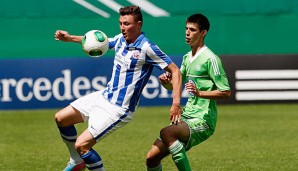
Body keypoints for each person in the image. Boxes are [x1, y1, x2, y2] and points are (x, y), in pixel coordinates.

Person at [54, 5, 182, 171]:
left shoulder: (147, 48)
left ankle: (81, 158)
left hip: (119, 109)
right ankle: (76, 161)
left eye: (127, 24)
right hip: (104, 96)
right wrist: (70, 38)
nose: (123, 28)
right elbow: (100, 42)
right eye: (121, 23)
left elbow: (175, 71)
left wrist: (176, 103)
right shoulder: (121, 40)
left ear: (139, 24)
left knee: (82, 145)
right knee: (61, 118)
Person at [145, 13, 231, 171]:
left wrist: (200, 94)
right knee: (151, 158)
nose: (187, 33)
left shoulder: (211, 59)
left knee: (167, 132)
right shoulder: (186, 58)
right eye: (186, 29)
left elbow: (225, 92)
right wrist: (166, 83)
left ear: (203, 33)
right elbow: (174, 85)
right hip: (186, 117)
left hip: (203, 120)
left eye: (192, 30)